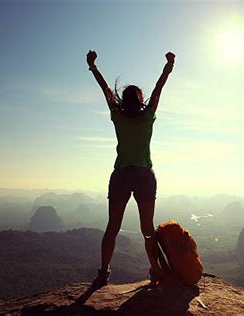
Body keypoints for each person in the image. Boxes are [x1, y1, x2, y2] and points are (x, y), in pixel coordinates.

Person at [86, 50, 175, 287]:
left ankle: (103, 273)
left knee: (112, 227)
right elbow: (158, 89)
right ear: (141, 99)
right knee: (147, 229)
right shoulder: (148, 117)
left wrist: (93, 66)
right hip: (144, 176)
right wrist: (168, 66)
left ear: (123, 101)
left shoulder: (117, 115)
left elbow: (105, 91)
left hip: (121, 176)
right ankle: (156, 271)